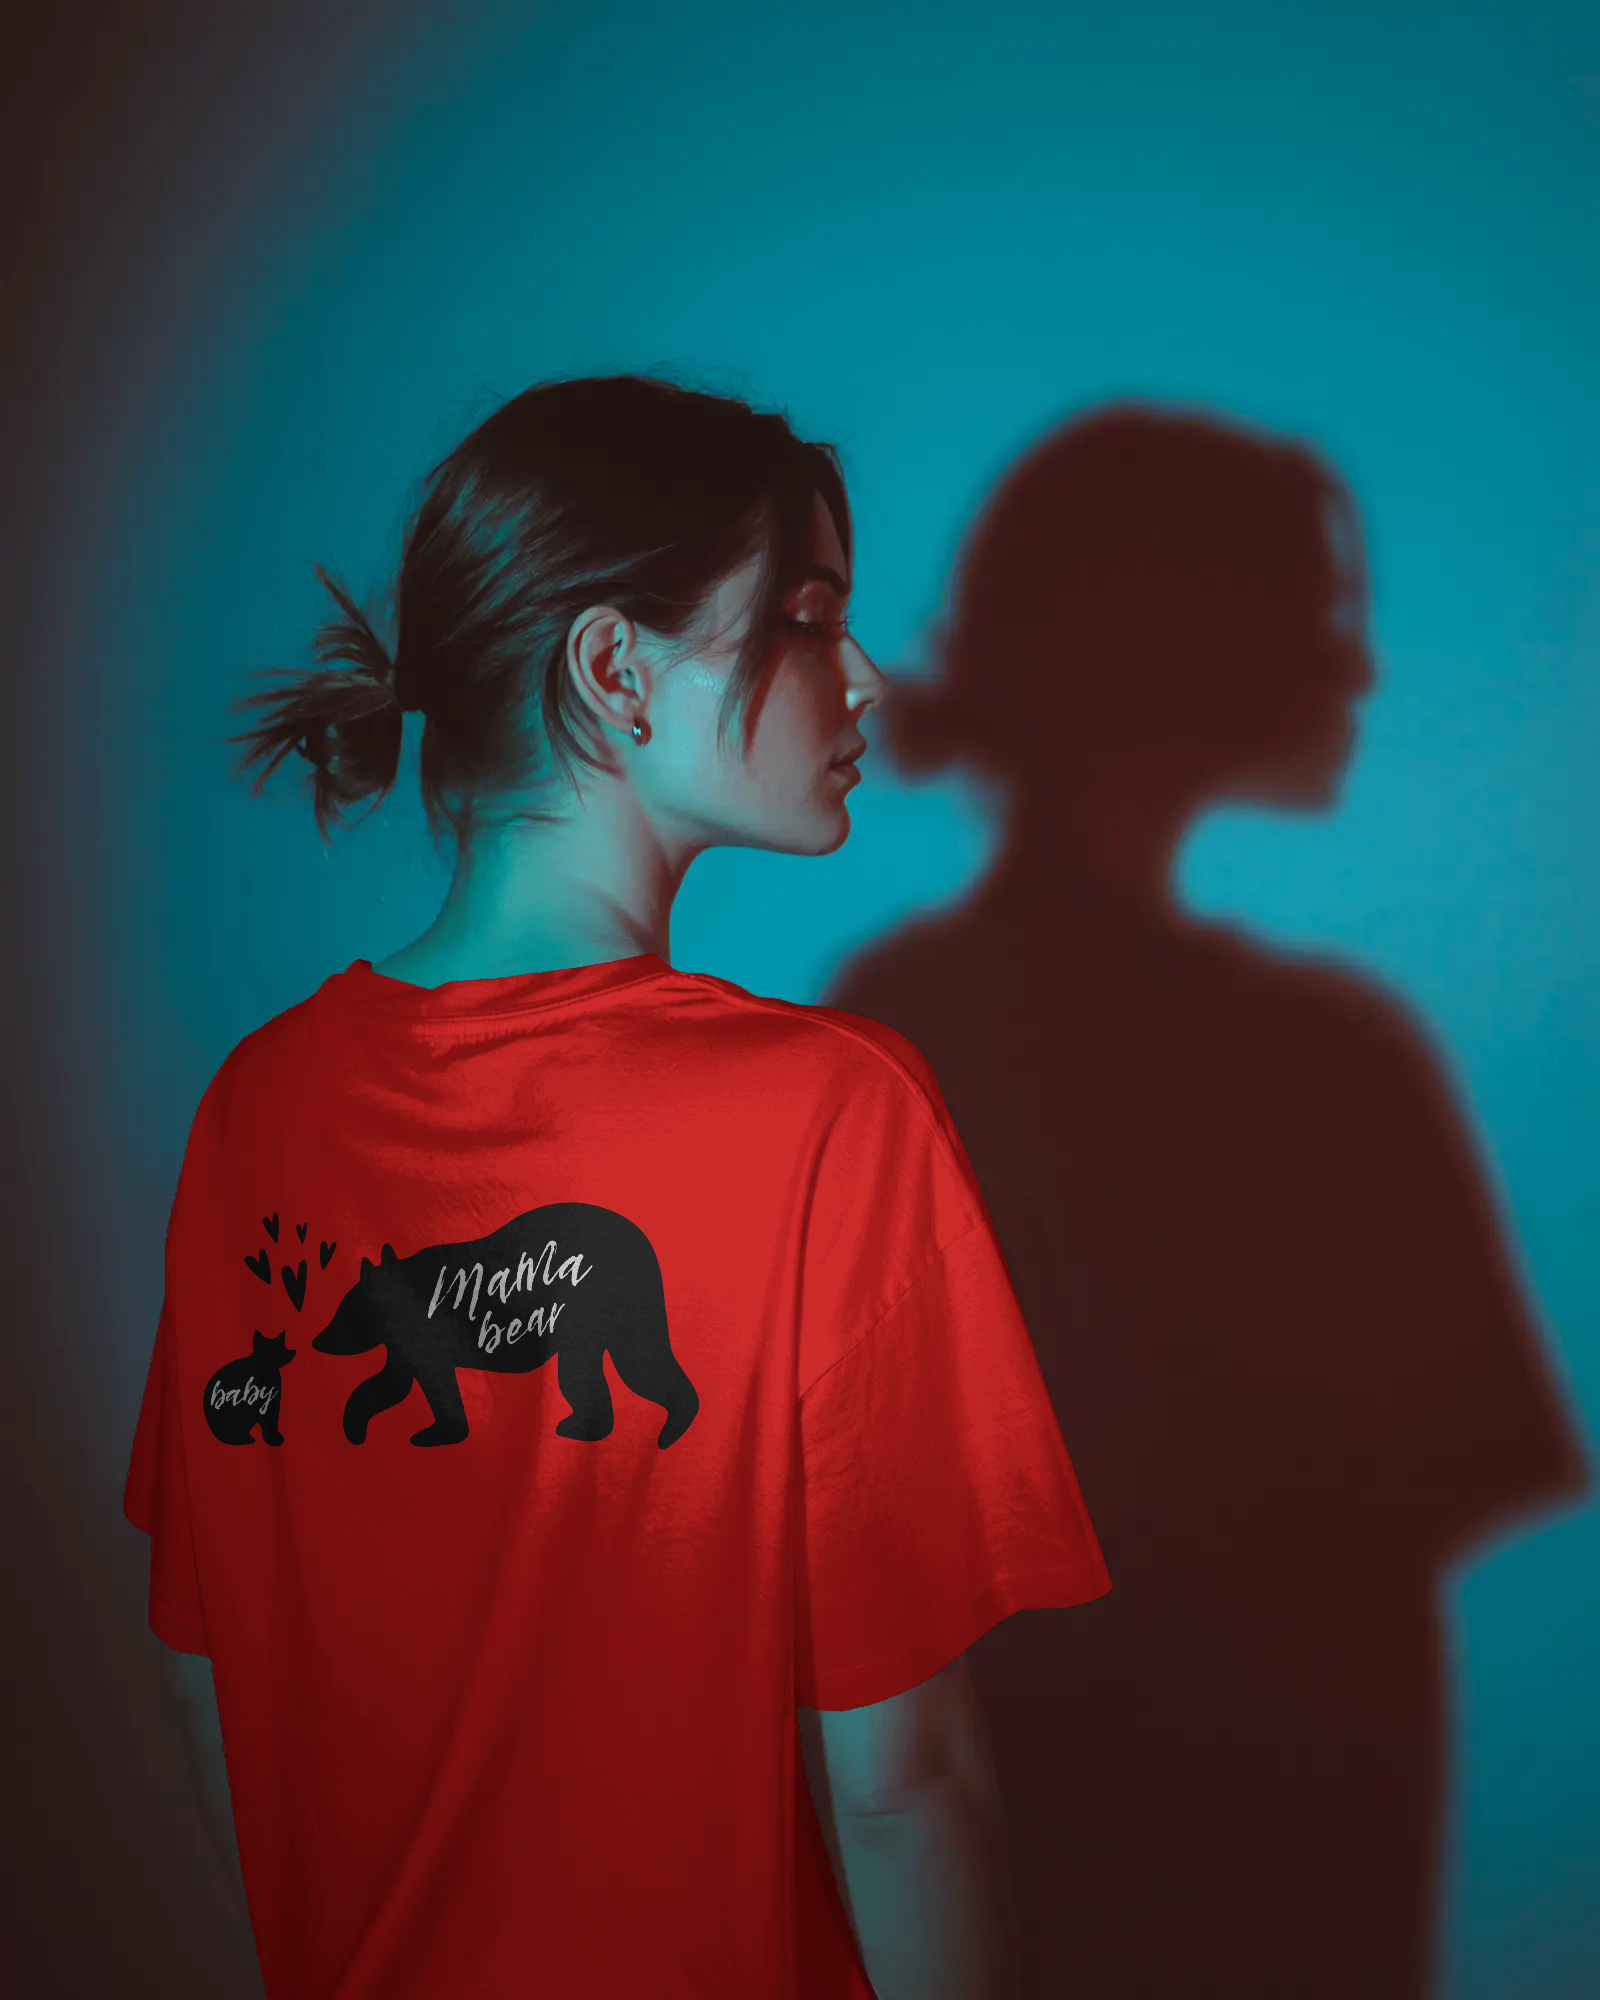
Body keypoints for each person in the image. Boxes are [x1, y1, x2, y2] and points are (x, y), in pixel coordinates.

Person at [124, 373, 1111, 2000]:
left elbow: (202, 1676)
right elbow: (898, 1780)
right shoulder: (826, 1114)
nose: (866, 679)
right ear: (612, 668)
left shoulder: (254, 1110)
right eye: (805, 618)